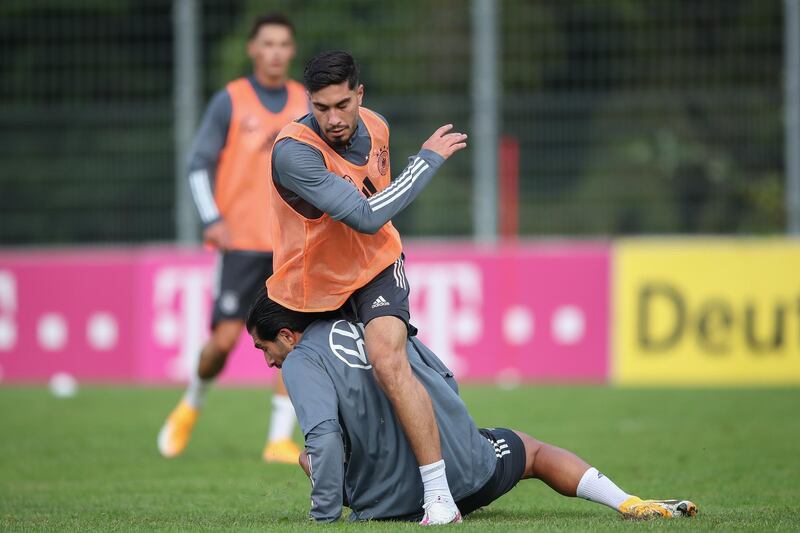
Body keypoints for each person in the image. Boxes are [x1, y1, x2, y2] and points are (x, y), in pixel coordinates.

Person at [245, 291, 699, 523]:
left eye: (265, 348)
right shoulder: (373, 321)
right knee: (532, 451)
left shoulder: (301, 360)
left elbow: (323, 439)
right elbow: (442, 378)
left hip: (390, 502)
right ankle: (628, 503)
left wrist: (323, 517)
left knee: (308, 453)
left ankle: (398, 497)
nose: (267, 361)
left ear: (287, 334)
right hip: (462, 470)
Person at [267, 50, 467, 523]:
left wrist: (416, 166)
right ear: (308, 102)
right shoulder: (294, 152)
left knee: (387, 360)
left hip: (376, 264)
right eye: (321, 108)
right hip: (314, 285)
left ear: (360, 94)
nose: (333, 119)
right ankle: (354, 476)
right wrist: (426, 163)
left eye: (342, 104)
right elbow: (363, 214)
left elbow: (376, 211)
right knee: (326, 399)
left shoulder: (376, 125)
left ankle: (439, 497)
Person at [157, 13, 308, 463]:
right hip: (240, 242)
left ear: (292, 51)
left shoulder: (305, 101)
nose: (276, 52)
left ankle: (278, 438)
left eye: (283, 43)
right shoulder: (231, 101)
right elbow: (198, 162)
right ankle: (192, 402)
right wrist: (211, 218)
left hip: (289, 244)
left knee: (293, 337)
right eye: (268, 43)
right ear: (253, 50)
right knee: (222, 342)